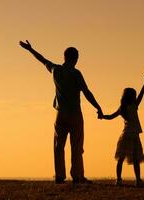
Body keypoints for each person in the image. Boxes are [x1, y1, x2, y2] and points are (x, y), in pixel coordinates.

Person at [19, 40, 103, 184]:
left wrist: (30, 49)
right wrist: (98, 107)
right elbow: (86, 92)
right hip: (75, 113)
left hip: (61, 114)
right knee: (76, 146)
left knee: (59, 146)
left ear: (64, 57)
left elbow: (42, 59)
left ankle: (59, 176)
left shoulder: (56, 70)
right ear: (75, 58)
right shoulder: (76, 74)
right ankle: (77, 176)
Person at [99, 70, 144, 187]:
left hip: (130, 135)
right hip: (130, 135)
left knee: (125, 158)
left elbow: (110, 116)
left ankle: (123, 180)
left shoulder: (124, 107)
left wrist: (102, 116)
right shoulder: (132, 106)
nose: (136, 97)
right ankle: (132, 180)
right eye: (134, 95)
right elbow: (142, 94)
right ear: (131, 97)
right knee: (131, 159)